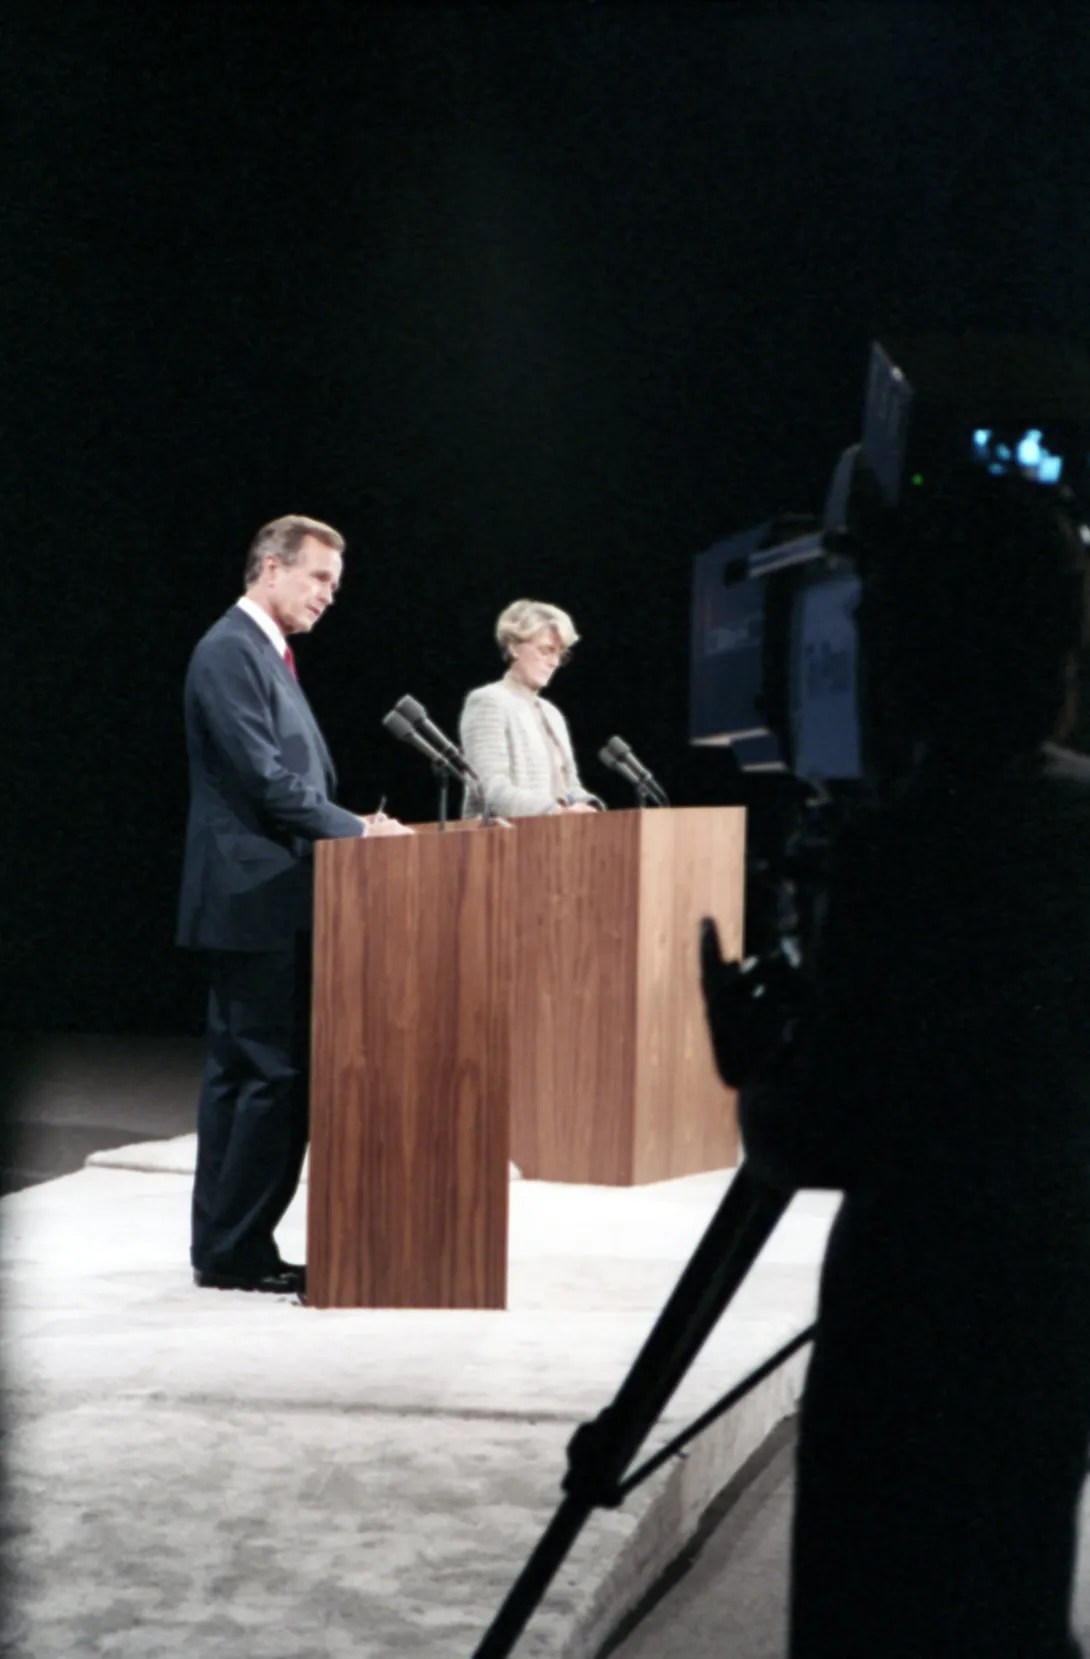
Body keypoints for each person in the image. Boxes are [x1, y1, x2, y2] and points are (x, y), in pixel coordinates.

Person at [703, 472, 1090, 1656]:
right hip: (1051, 1304)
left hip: (910, 1319)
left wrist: (752, 1059)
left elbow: (819, 1133)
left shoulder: (908, 850)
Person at [177, 514, 410, 1296]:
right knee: (262, 1075)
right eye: (319, 579)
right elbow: (264, 781)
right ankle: (234, 1250)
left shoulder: (267, 653)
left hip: (279, 895)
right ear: (270, 568)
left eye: (335, 586)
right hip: (251, 900)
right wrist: (354, 829)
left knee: (262, 1074)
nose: (328, 597)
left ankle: (232, 1244)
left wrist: (352, 827)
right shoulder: (228, 650)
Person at [459, 598, 602, 819]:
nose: (554, 662)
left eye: (559, 654)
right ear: (514, 647)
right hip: (501, 843)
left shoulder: (552, 714)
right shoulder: (487, 701)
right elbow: (490, 789)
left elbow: (569, 788)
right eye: (546, 650)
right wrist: (555, 811)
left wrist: (590, 806)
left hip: (555, 838)